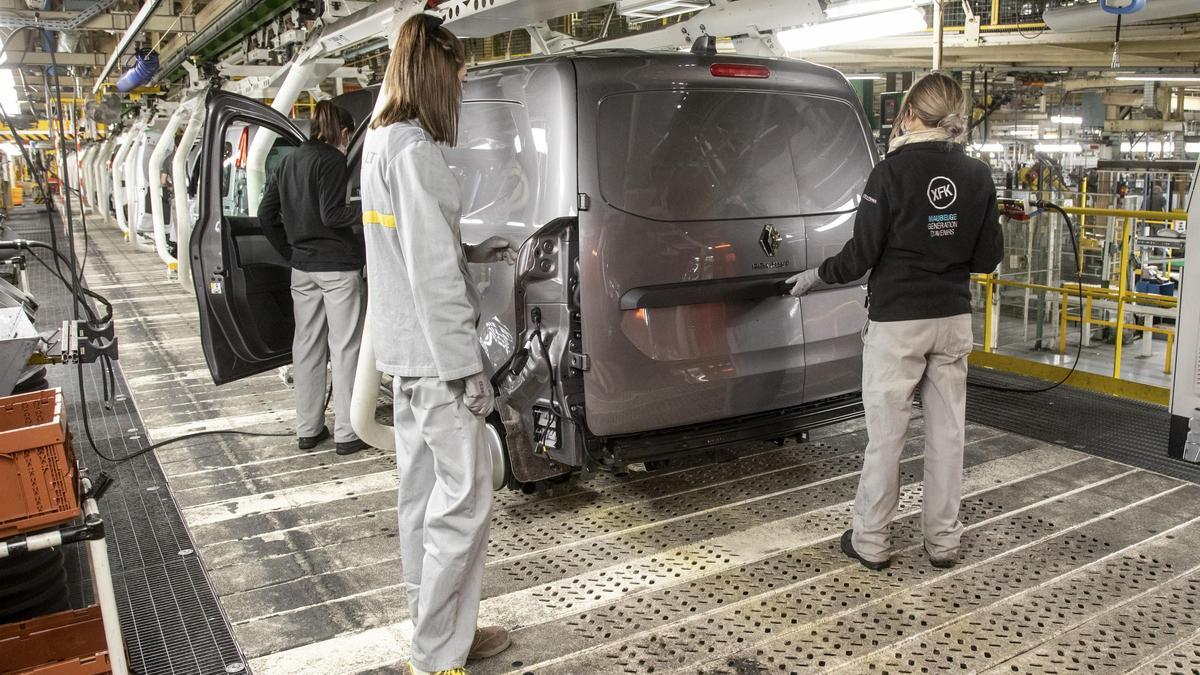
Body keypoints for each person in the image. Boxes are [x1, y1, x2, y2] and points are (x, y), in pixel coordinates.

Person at [788, 72, 1004, 571]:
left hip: (898, 325)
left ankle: (871, 541)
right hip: (951, 321)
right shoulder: (977, 176)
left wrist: (816, 276)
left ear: (908, 113)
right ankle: (944, 543)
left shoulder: (888, 174)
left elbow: (860, 256)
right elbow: (986, 258)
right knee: (948, 436)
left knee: (887, 437)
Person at [359, 13, 515, 675]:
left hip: (403, 356)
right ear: (434, 73)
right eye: (455, 75)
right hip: (436, 361)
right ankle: (438, 650)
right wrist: (468, 369)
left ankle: (443, 631)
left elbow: (409, 251)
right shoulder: (417, 151)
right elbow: (430, 277)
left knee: (420, 502)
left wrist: (471, 250)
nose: (458, 89)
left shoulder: (379, 142)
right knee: (466, 503)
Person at [258, 100, 370, 456]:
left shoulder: (288, 160)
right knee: (345, 346)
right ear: (343, 131)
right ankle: (348, 432)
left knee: (306, 348)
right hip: (337, 268)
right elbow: (333, 214)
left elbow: (265, 213)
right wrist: (370, 207)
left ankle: (308, 429)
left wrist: (289, 251)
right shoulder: (333, 160)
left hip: (303, 269)